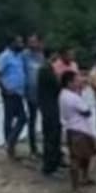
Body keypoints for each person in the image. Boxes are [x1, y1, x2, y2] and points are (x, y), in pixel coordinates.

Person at [59, 70, 95, 193]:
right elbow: (86, 112)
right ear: (69, 83)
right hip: (77, 129)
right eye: (76, 80)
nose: (79, 82)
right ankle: (75, 189)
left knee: (85, 156)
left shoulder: (65, 94)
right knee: (76, 159)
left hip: (77, 128)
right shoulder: (72, 97)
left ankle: (83, 179)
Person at [0, 35, 28, 159]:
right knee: (15, 118)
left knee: (19, 118)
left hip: (18, 93)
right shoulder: (5, 56)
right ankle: (10, 144)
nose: (21, 44)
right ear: (12, 43)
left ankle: (10, 144)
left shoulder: (19, 56)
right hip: (9, 92)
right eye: (19, 42)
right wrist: (4, 89)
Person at [37, 49, 64, 177]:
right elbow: (57, 86)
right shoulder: (45, 70)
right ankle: (49, 167)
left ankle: (53, 163)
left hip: (49, 106)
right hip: (49, 107)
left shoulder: (46, 68)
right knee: (51, 136)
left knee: (53, 136)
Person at [22, 34, 46, 158]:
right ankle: (33, 149)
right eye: (30, 42)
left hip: (42, 92)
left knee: (45, 119)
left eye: (34, 42)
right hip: (30, 92)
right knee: (32, 120)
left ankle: (44, 148)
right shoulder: (24, 55)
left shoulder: (41, 55)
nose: (32, 44)